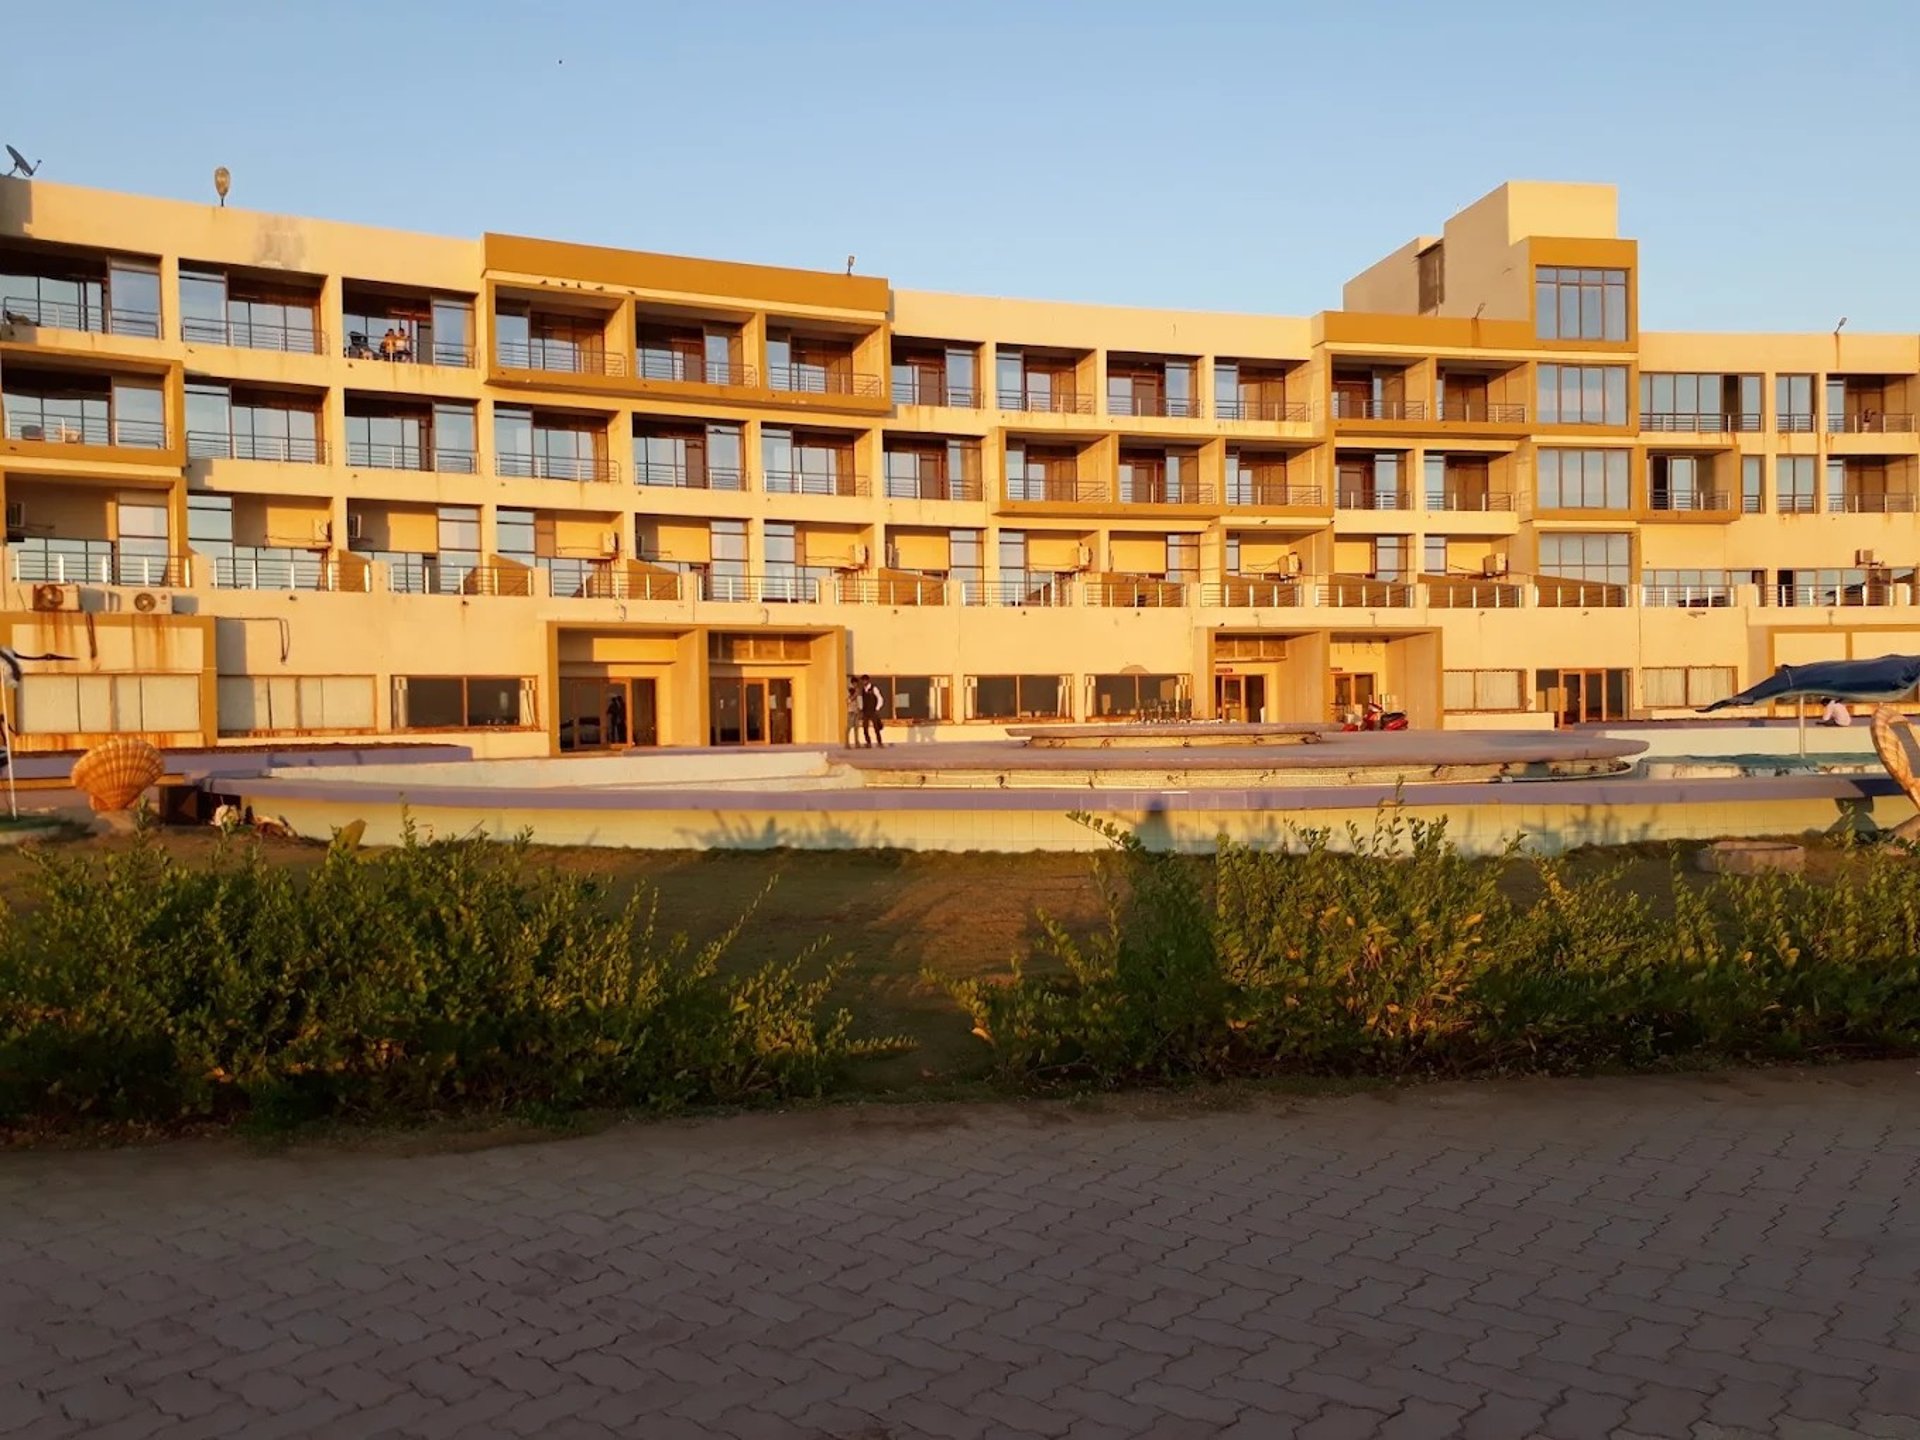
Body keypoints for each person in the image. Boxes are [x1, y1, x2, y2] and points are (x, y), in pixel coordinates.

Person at [858, 674, 885, 748]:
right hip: (865, 711)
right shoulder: (863, 690)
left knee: (876, 727)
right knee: (865, 727)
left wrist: (877, 708)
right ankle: (868, 742)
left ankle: (879, 742)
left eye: (864, 680)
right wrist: (861, 708)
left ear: (867, 680)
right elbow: (861, 700)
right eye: (862, 681)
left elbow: (880, 698)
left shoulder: (874, 688)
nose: (863, 682)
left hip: (873, 710)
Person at [846, 678, 864, 747]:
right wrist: (855, 695)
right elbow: (848, 700)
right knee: (849, 727)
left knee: (856, 727)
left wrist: (860, 709)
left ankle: (857, 742)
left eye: (856, 683)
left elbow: (860, 700)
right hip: (851, 711)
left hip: (856, 710)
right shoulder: (849, 690)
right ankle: (847, 742)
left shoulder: (858, 690)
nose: (855, 684)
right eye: (854, 683)